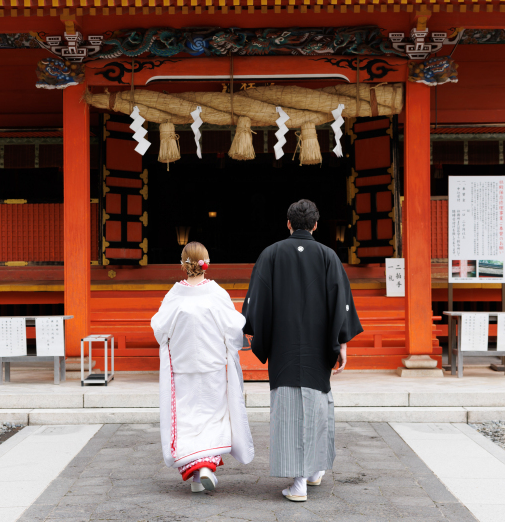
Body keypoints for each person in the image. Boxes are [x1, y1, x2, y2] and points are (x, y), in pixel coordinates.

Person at [242, 199, 363, 502]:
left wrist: (261, 336)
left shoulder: (270, 255)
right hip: (317, 348)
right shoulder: (327, 256)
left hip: (284, 349)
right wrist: (342, 343)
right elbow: (341, 304)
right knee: (318, 405)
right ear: (315, 225)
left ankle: (301, 479)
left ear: (288, 223)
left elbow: (256, 304)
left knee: (289, 410)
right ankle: (311, 472)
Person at [152, 241, 254, 493]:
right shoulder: (216, 292)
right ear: (206, 262)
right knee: (213, 415)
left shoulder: (175, 294)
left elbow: (160, 330)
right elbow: (233, 328)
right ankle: (206, 467)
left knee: (186, 418)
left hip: (183, 367)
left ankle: (197, 476)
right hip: (213, 366)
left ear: (182, 264)